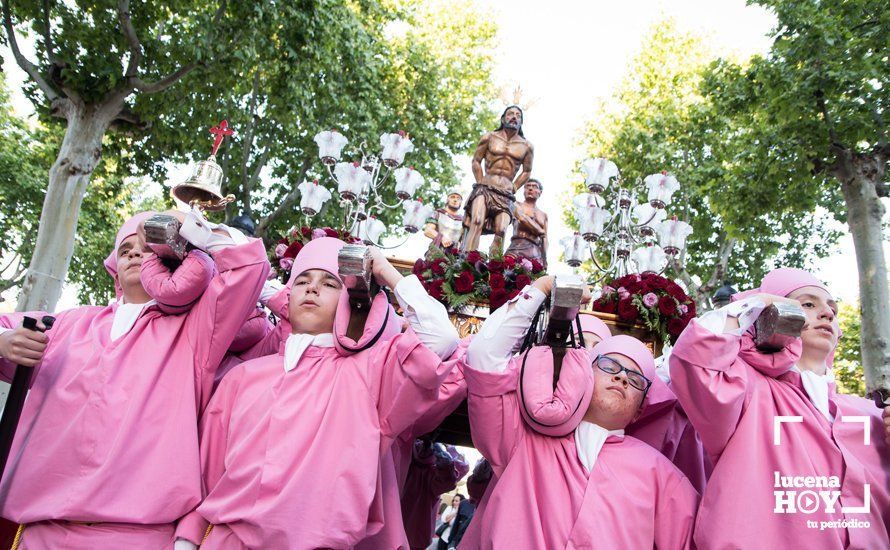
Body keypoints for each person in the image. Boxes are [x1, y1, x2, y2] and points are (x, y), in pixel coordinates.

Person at [0, 209, 269, 548]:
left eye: (146, 248)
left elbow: (249, 266)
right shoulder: (69, 325)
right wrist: (4, 342)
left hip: (137, 536)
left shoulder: (196, 332)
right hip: (42, 532)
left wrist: (193, 230)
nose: (133, 255)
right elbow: (8, 329)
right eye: (125, 250)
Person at [173, 237, 460, 549]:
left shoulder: (371, 375)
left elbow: (441, 338)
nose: (311, 288)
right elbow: (206, 478)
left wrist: (385, 270)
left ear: (349, 299)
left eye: (329, 283)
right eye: (302, 281)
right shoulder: (242, 378)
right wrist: (186, 542)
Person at [462, 275, 698, 548]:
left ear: (639, 410)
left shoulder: (660, 473)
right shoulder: (521, 438)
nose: (622, 378)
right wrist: (542, 288)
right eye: (610, 366)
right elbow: (483, 357)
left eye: (635, 379)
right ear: (585, 374)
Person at [670, 267, 890, 548]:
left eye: (832, 308)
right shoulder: (745, 390)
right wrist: (759, 302)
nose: (828, 313)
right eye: (808, 304)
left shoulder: (871, 416)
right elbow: (695, 358)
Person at [461, 105, 534, 256]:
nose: (514, 117)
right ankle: (467, 260)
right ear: (503, 118)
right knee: (477, 221)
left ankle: (495, 267)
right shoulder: (489, 137)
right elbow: (476, 160)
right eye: (510, 114)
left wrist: (515, 186)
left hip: (506, 193)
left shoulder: (527, 146)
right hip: (485, 187)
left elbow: (526, 171)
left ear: (521, 121)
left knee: (501, 231)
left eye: (517, 115)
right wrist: (480, 180)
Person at [505, 178, 548, 269]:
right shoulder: (516, 204)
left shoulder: (543, 215)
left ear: (540, 192)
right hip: (517, 247)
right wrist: (539, 230)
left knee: (534, 280)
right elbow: (522, 218)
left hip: (535, 252)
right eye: (527, 186)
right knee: (507, 272)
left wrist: (544, 259)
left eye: (534, 186)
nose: (530, 188)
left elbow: (545, 239)